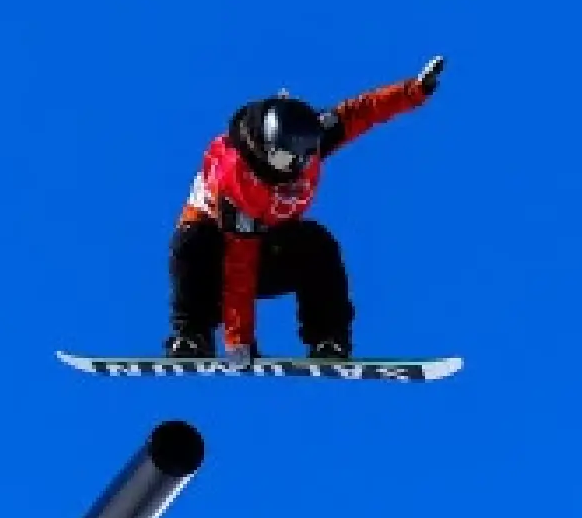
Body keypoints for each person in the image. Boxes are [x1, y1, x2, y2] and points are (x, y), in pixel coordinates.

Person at [166, 55, 445, 361]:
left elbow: (361, 112)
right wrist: (239, 341)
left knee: (318, 245)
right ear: (265, 150)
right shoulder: (236, 180)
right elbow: (238, 265)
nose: (298, 166)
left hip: (269, 248)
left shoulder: (308, 139)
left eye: (305, 155)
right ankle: (192, 336)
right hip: (218, 262)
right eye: (287, 160)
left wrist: (414, 91)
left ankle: (328, 339)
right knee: (192, 241)